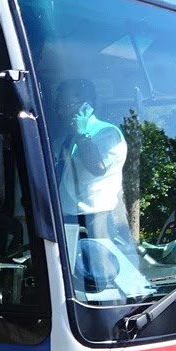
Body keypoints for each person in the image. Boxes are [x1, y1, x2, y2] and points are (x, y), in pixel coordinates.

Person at [53, 79, 134, 256]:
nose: (61, 111)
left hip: (97, 218)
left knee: (99, 272)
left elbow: (97, 167)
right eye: (59, 106)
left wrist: (82, 136)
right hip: (69, 215)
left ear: (85, 106)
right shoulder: (69, 137)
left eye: (66, 105)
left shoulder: (107, 133)